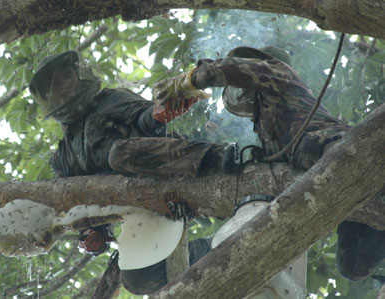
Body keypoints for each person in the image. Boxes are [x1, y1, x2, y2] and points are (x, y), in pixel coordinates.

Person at [155, 45, 385, 282]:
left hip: (341, 153)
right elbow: (270, 161)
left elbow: (234, 70)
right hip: (333, 183)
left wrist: (188, 81)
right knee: (353, 267)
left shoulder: (280, 75)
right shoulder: (264, 124)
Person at [28, 50, 238, 294]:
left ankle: (214, 156)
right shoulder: (64, 157)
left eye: (68, 76)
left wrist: (161, 113)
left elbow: (143, 117)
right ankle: (218, 246)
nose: (66, 83)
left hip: (169, 172)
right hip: (140, 209)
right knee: (137, 279)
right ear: (49, 97)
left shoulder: (109, 99)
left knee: (118, 154)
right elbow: (79, 203)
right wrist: (91, 234)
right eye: (58, 82)